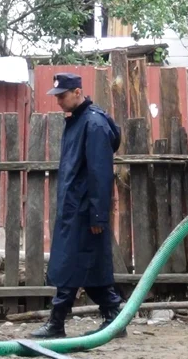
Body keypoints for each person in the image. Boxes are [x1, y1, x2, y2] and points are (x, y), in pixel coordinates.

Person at [30, 73, 127, 339]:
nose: (58, 101)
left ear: (77, 92)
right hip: (75, 209)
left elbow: (100, 173)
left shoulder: (93, 124)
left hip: (85, 212)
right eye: (57, 96)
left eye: (62, 95)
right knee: (86, 267)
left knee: (70, 266)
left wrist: (98, 216)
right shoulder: (79, 121)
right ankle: (113, 319)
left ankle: (57, 323)